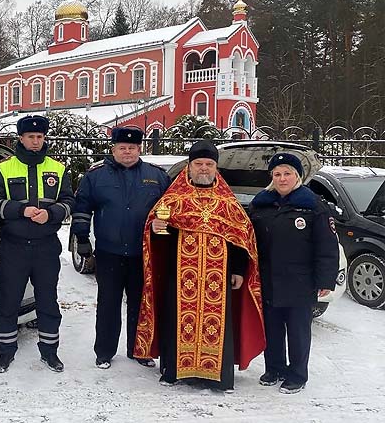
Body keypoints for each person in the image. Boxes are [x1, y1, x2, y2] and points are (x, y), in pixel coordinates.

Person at [134, 140, 266, 393]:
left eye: (208, 164)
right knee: (177, 319)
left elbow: (241, 238)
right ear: (189, 167)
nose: (203, 169)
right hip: (181, 274)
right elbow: (159, 234)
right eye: (198, 164)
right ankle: (173, 371)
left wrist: (238, 269)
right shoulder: (174, 198)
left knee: (219, 323)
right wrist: (156, 229)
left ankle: (218, 376)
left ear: (216, 167)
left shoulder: (228, 202)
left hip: (220, 274)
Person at [71, 127, 170, 370]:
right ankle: (104, 351)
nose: (127, 152)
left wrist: (166, 240)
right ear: (113, 149)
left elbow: (169, 211)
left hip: (143, 253)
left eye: (132, 148)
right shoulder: (96, 176)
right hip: (109, 252)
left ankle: (140, 349)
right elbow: (82, 208)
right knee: (108, 303)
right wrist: (81, 238)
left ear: (140, 149)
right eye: (122, 148)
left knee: (141, 303)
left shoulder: (156, 176)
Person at [0, 115, 75, 373]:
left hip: (46, 246)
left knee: (47, 301)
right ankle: (5, 352)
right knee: (8, 301)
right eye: (30, 137)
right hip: (13, 246)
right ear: (21, 138)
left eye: (40, 137)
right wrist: (20, 210)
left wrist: (52, 214)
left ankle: (50, 352)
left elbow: (69, 200)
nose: (36, 141)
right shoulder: (4, 168)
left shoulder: (58, 168)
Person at [249, 153, 339, 394]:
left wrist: (325, 280)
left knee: (298, 331)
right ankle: (274, 368)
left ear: (297, 176)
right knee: (272, 328)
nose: (282, 178)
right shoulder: (261, 204)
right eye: (277, 174)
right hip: (269, 279)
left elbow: (327, 246)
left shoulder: (313, 206)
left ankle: (297, 374)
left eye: (287, 173)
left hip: (300, 281)